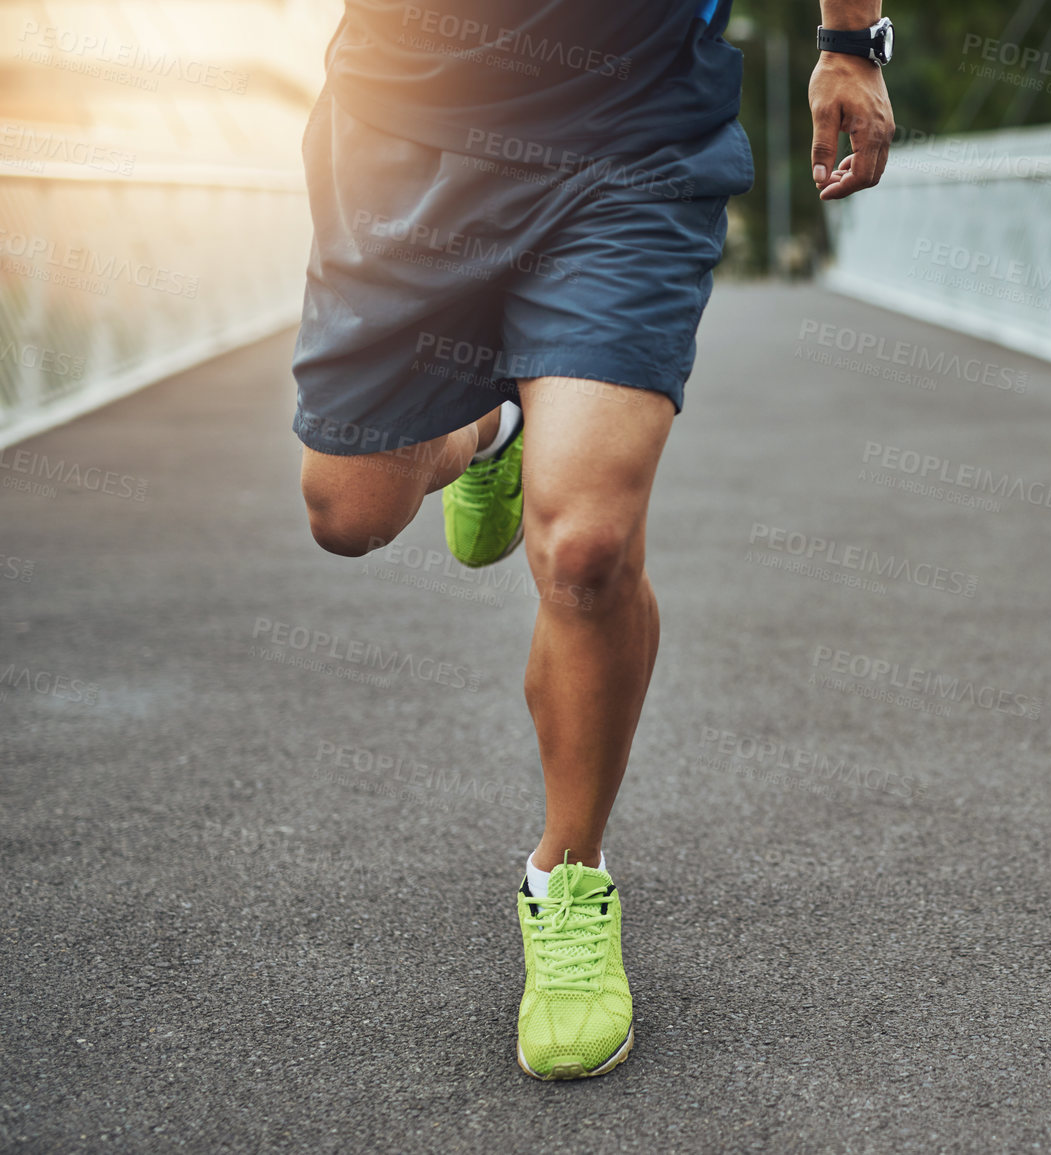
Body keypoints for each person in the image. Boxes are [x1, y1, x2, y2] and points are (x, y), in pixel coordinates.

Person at [289, 0, 893, 1079]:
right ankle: (493, 430)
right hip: (404, 125)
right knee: (349, 512)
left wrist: (850, 41)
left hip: (633, 128)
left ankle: (566, 878)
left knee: (585, 546)